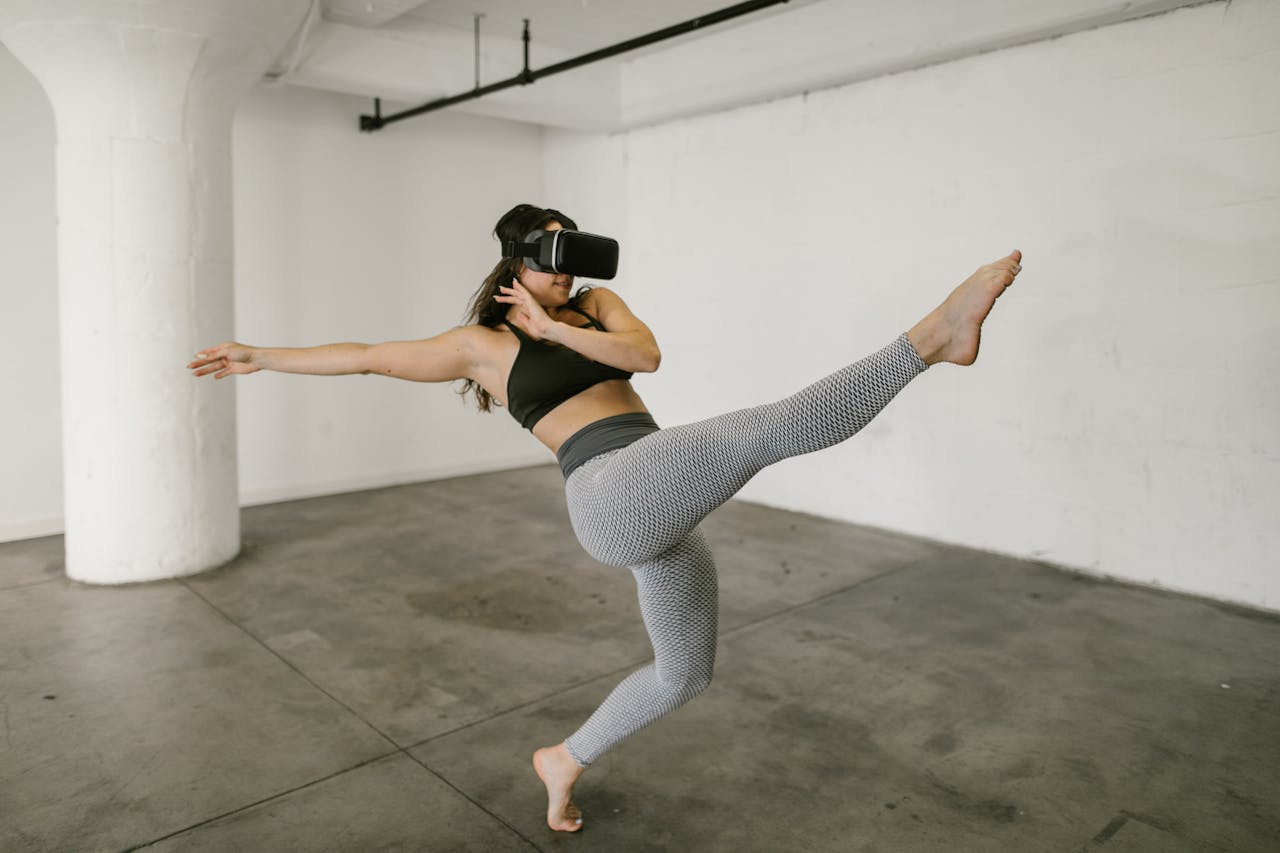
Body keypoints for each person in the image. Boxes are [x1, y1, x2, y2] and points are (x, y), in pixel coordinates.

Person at [188, 203, 1023, 832]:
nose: (567, 269)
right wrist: (263, 355)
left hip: (653, 488)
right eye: (552, 255)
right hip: (609, 494)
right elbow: (368, 357)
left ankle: (563, 758)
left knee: (683, 674)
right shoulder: (482, 345)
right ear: (518, 262)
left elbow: (644, 357)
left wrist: (557, 325)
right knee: (765, 428)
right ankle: (932, 338)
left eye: (572, 251)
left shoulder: (598, 307)